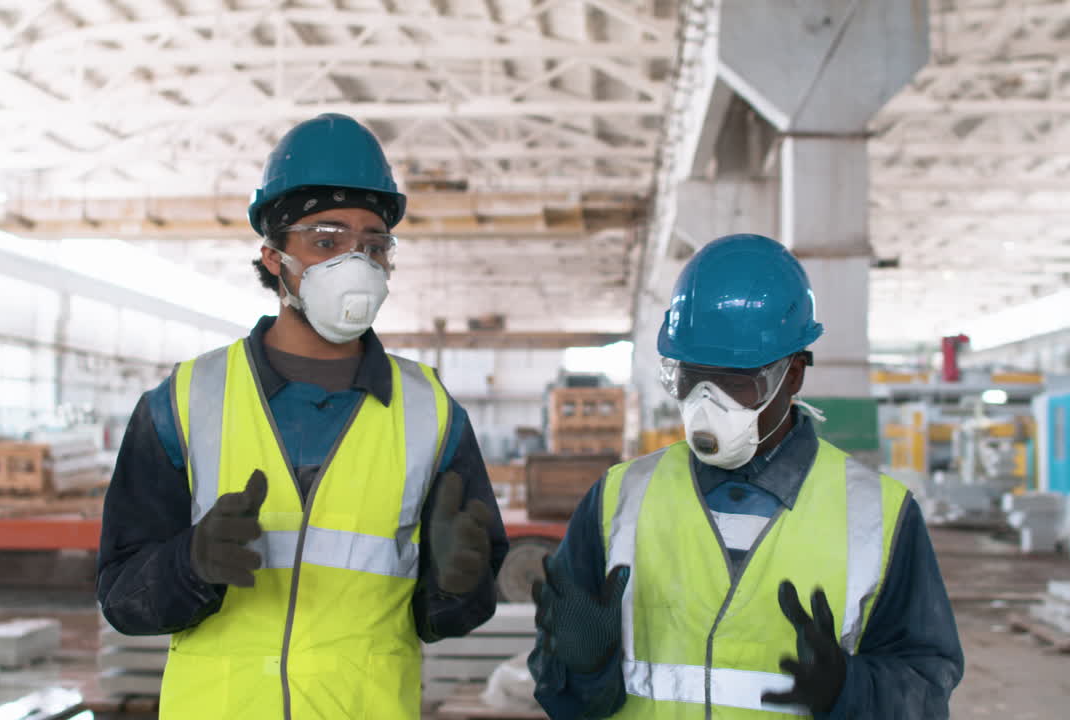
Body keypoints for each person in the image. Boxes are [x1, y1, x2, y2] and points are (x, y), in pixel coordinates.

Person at [97, 113, 509, 720]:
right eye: (326, 240)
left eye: (373, 245)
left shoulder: (432, 413)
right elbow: (123, 600)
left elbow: (448, 614)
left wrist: (458, 584)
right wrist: (189, 565)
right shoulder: (184, 401)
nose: (356, 262)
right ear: (272, 257)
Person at [529, 234, 963, 718]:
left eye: (736, 383)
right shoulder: (618, 501)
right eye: (691, 378)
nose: (706, 403)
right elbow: (559, 693)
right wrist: (583, 669)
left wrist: (852, 689)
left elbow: (927, 688)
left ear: (794, 375)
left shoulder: (879, 517)